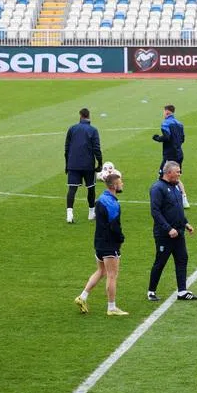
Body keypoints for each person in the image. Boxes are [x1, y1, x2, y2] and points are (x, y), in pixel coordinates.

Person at [75, 168, 129, 316]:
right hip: (109, 244)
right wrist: (121, 239)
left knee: (101, 271)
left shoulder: (101, 199)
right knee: (112, 275)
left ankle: (82, 297)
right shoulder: (112, 203)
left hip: (98, 243)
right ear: (114, 185)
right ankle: (111, 308)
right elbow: (114, 227)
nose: (122, 184)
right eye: (120, 182)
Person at [146, 161, 197, 302]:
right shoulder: (157, 188)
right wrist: (168, 228)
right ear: (168, 172)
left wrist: (186, 223)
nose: (179, 174)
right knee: (160, 262)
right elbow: (155, 212)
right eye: (177, 172)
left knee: (182, 259)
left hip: (179, 232)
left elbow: (177, 209)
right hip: (165, 234)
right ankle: (151, 291)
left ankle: (182, 291)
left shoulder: (175, 187)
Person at [64, 107, 103, 224]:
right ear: (89, 116)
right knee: (91, 188)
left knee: (72, 188)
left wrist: (67, 164)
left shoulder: (72, 129)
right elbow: (97, 148)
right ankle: (91, 213)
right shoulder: (93, 130)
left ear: (80, 116)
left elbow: (66, 148)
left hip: (73, 164)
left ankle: (69, 215)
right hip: (88, 165)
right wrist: (100, 163)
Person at [153, 104, 188, 207]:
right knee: (176, 177)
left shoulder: (166, 123)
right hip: (179, 153)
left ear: (166, 112)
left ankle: (164, 199)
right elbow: (182, 139)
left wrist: (157, 138)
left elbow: (166, 136)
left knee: (162, 176)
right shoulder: (179, 124)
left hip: (169, 155)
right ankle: (184, 200)